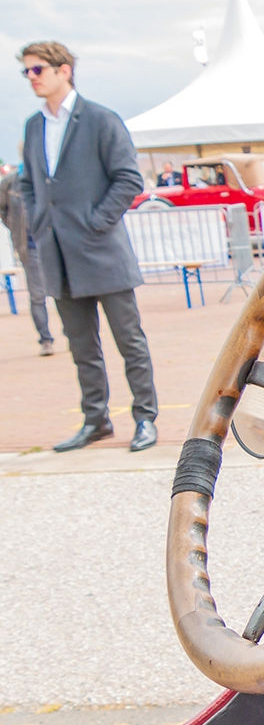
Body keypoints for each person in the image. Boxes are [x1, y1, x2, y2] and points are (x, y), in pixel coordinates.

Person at [18, 41, 157, 452]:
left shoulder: (100, 119)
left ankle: (145, 419)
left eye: (38, 69)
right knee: (81, 346)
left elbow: (128, 179)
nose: (32, 78)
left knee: (129, 341)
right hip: (57, 256)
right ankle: (96, 420)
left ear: (64, 70)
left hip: (102, 252)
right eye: (26, 71)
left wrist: (96, 223)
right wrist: (40, 220)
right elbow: (30, 182)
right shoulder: (33, 125)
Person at [0, 157, 55, 355]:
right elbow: (3, 208)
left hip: (55, 242)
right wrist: (15, 228)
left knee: (66, 290)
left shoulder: (50, 176)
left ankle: (74, 334)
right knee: (37, 294)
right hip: (29, 245)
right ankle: (45, 338)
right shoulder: (10, 182)